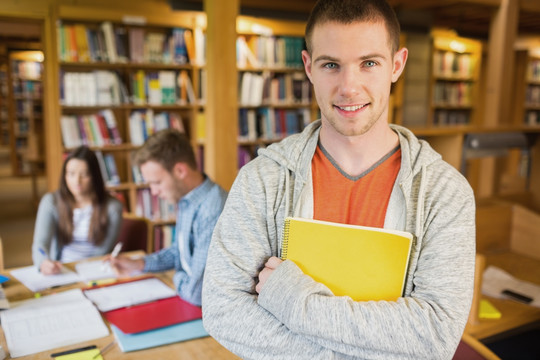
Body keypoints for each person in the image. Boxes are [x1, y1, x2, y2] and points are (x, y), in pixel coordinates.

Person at [202, 0, 476, 358]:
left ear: (397, 65)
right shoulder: (263, 179)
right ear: (308, 67)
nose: (349, 87)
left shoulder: (445, 193)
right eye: (331, 65)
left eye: (369, 63)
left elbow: (435, 335)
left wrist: (291, 300)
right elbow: (223, 309)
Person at [108, 129, 227, 306]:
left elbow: (197, 293)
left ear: (180, 170)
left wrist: (176, 276)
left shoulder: (212, 209)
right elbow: (181, 251)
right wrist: (139, 264)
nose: (154, 192)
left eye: (157, 183)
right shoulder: (188, 199)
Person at [32, 146, 123, 275]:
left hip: (93, 270)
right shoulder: (50, 202)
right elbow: (40, 243)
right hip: (60, 270)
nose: (77, 181)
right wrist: (43, 262)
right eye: (71, 174)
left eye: (84, 175)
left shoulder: (113, 208)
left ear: (95, 176)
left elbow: (102, 251)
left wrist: (81, 271)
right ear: (64, 175)